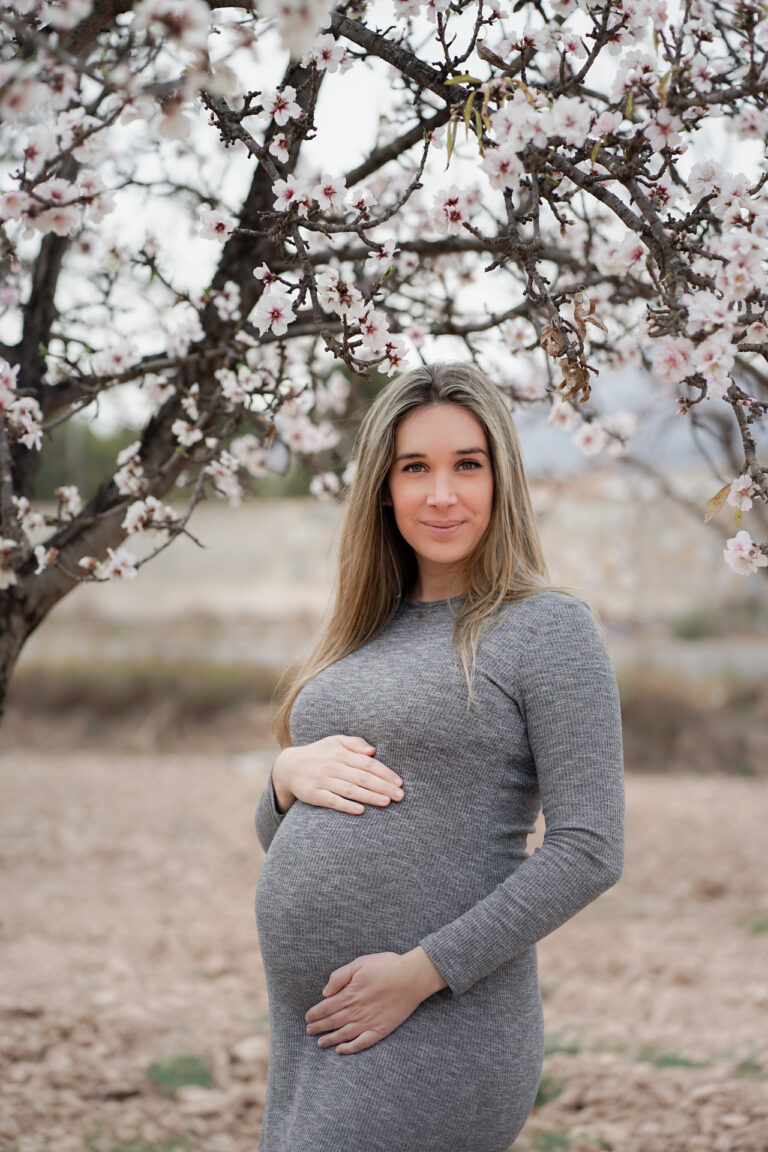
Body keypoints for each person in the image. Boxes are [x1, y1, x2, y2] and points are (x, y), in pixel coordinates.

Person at [253, 361, 625, 1152]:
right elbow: (291, 833)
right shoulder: (363, 630)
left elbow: (590, 848)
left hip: (438, 1021)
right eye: (414, 467)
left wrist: (422, 972)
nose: (442, 493)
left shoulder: (547, 629)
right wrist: (283, 780)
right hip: (315, 1030)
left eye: (468, 464)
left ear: (503, 479)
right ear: (383, 489)